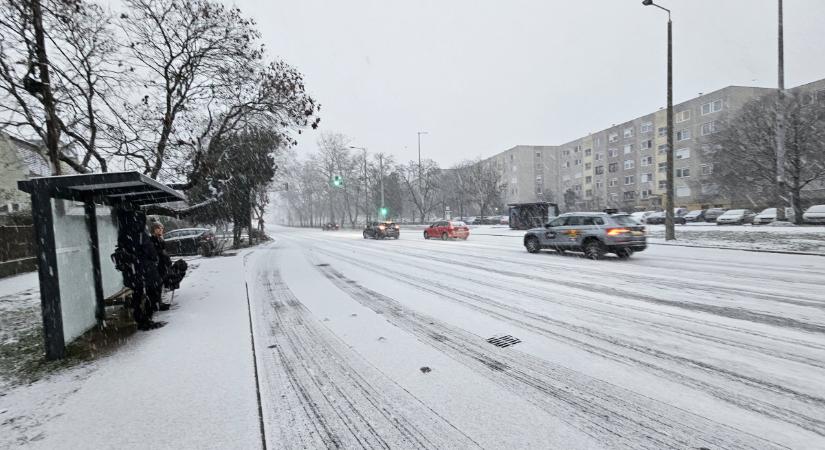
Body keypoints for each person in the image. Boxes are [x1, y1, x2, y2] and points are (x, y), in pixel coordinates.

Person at [114, 210, 165, 330]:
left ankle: (140, 318)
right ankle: (146, 318)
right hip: (145, 271)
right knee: (154, 292)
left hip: (131, 273)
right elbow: (151, 253)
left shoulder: (123, 234)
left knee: (137, 294)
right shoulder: (141, 234)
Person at [149, 222, 172, 311]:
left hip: (162, 264)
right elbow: (157, 252)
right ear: (154, 230)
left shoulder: (160, 239)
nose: (161, 230)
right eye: (159, 228)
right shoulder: (152, 240)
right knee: (157, 285)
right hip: (157, 265)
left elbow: (163, 251)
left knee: (160, 284)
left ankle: (158, 302)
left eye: (162, 228)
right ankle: (156, 304)